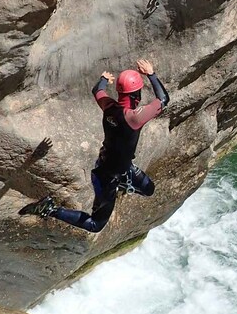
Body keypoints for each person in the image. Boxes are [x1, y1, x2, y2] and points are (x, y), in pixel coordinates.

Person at [18, 59, 169, 232]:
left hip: (116, 167)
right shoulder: (134, 117)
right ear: (137, 95)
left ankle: (122, 183)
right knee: (95, 225)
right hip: (106, 178)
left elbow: (97, 90)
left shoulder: (110, 106)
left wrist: (104, 79)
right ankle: (49, 209)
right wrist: (151, 74)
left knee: (148, 189)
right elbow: (163, 99)